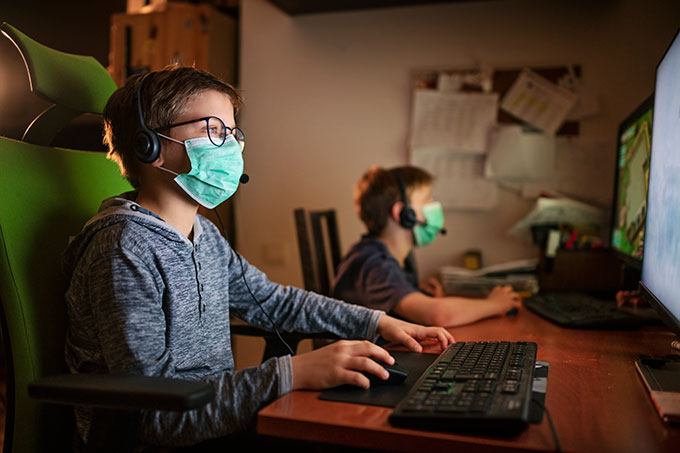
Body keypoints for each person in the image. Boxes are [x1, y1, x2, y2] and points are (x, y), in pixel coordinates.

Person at [62, 67, 454, 448]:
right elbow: (153, 414)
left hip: (214, 419)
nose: (231, 146)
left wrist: (376, 321)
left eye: (233, 132)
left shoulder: (207, 236)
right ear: (149, 146)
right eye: (213, 130)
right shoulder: (123, 249)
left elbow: (272, 301)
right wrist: (292, 372)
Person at [332, 165, 521, 328]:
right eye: (427, 200)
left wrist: (417, 295)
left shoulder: (380, 255)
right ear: (403, 214)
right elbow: (438, 315)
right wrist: (495, 305)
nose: (434, 206)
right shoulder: (375, 263)